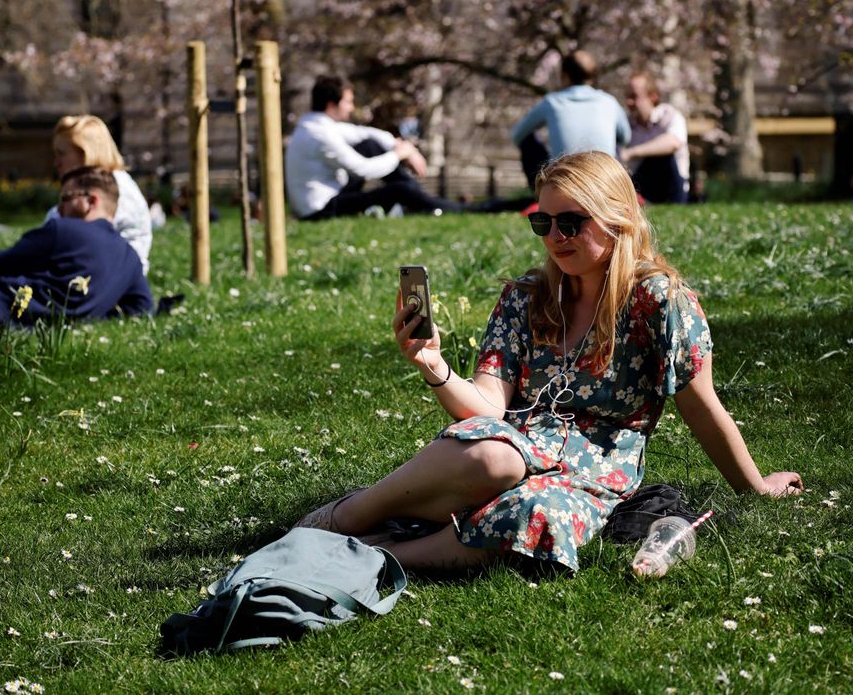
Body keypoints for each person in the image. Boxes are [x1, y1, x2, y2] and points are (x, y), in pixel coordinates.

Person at [295, 151, 802, 572]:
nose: (555, 235)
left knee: (538, 516)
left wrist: (756, 487)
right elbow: (487, 407)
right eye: (544, 221)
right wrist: (434, 366)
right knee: (493, 456)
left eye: (571, 222)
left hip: (595, 471)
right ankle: (347, 517)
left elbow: (702, 407)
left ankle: (376, 557)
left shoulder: (658, 302)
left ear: (617, 219)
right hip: (508, 445)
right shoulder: (527, 297)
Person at [0, 167, 152, 330]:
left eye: (66, 198)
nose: (59, 207)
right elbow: (142, 307)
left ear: (90, 201)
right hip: (19, 331)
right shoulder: (130, 258)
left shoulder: (63, 229)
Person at [286, 76, 465, 219]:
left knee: (369, 145)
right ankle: (444, 207)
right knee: (400, 190)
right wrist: (398, 154)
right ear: (332, 105)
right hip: (320, 210)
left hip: (329, 198)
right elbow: (363, 169)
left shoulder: (316, 126)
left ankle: (423, 201)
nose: (351, 108)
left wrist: (404, 147)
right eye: (348, 102)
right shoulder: (320, 135)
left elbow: (364, 133)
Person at [46, 115, 153, 274]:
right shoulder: (97, 182)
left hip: (115, 275)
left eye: (61, 154)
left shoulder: (112, 188)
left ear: (85, 153)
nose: (56, 162)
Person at [509, 51, 631, 190]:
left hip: (563, 184)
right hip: (604, 182)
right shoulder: (609, 102)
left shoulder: (552, 102)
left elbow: (517, 135)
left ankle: (541, 192)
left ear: (564, 76)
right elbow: (626, 138)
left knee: (528, 141)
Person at [622, 73, 691, 204]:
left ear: (652, 97)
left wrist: (631, 152)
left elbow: (673, 143)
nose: (628, 102)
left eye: (634, 96)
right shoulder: (626, 123)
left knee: (663, 156)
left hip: (672, 186)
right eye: (627, 97)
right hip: (640, 183)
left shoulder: (670, 115)